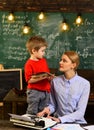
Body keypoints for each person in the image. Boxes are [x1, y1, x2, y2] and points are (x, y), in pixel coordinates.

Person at [37, 51, 90, 124]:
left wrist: (60, 119)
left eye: (64, 61)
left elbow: (80, 112)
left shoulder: (85, 84)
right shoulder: (55, 81)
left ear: (73, 65)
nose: (60, 62)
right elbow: (53, 105)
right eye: (61, 60)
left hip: (77, 123)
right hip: (58, 123)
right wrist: (48, 109)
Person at [24, 36, 53, 115]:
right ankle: (29, 125)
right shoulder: (29, 64)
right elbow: (29, 80)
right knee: (32, 112)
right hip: (34, 92)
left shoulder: (43, 61)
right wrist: (42, 77)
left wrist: (49, 78)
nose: (44, 53)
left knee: (42, 112)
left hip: (46, 91)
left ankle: (40, 126)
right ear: (34, 51)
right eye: (42, 51)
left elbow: (46, 74)